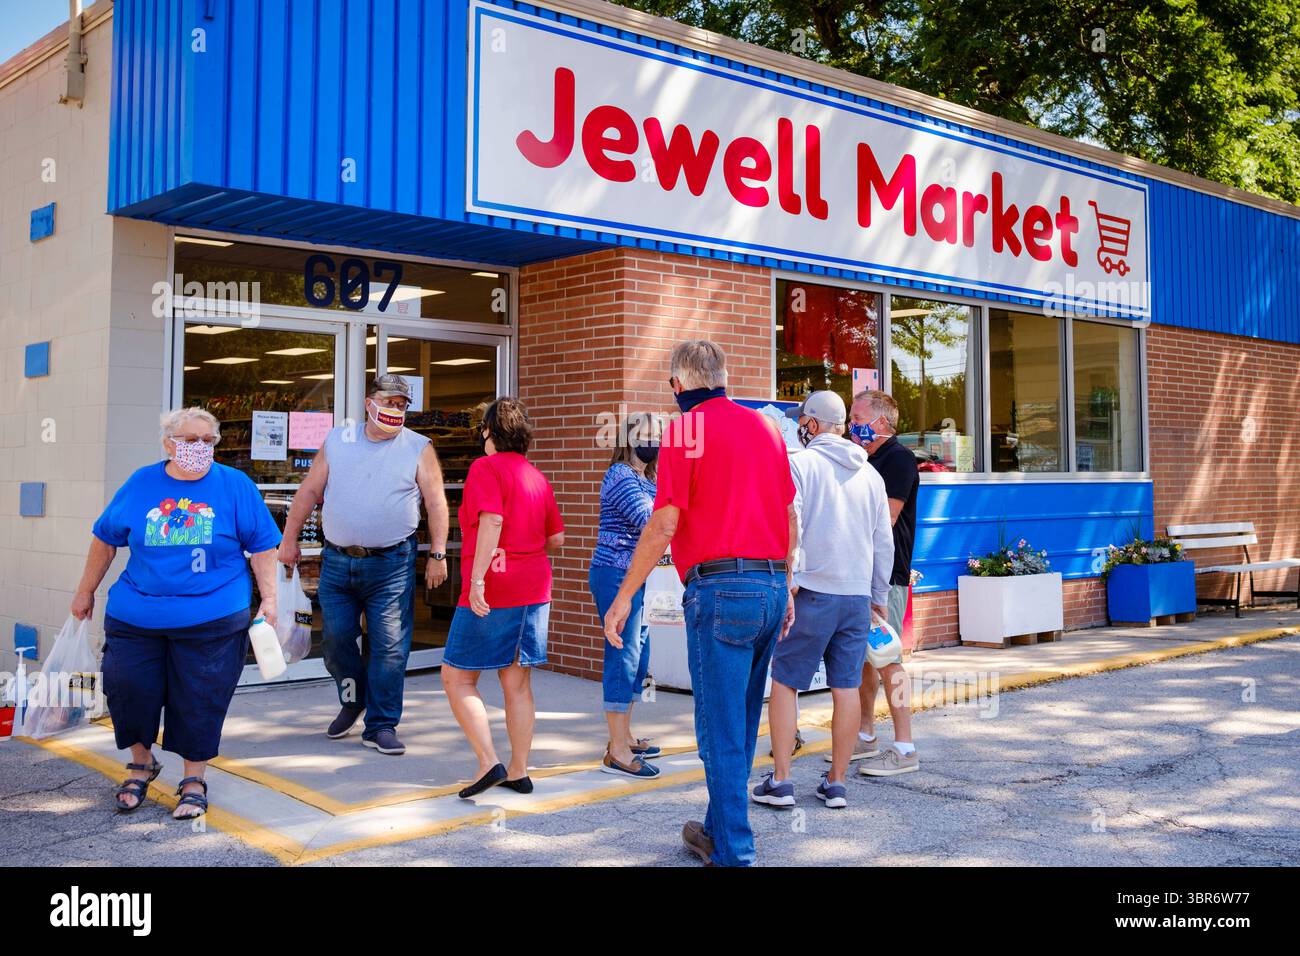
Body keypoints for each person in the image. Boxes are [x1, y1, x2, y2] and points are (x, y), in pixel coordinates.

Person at [604, 340, 797, 867]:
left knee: (718, 730)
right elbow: (788, 511)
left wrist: (624, 595)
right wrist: (786, 579)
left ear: (678, 385)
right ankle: (714, 831)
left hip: (720, 591)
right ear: (723, 375)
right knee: (738, 719)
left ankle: (736, 853)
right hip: (771, 585)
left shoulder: (684, 431)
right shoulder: (765, 426)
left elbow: (664, 521)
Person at [71, 407, 281, 819]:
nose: (200, 448)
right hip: (136, 615)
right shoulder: (141, 483)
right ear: (169, 443)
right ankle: (141, 762)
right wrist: (85, 591)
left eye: (208, 441)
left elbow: (262, 546)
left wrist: (270, 601)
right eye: (190, 440)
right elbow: (105, 538)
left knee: (199, 698)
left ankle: (193, 777)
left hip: (213, 617)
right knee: (128, 689)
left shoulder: (234, 485)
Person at [278, 375, 449, 756]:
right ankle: (353, 698)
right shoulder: (339, 440)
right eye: (390, 401)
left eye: (403, 405)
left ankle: (382, 723)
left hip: (391, 563)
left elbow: (436, 502)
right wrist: (289, 540)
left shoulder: (418, 447)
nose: (396, 410)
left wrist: (438, 554)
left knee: (390, 646)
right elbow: (309, 490)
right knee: (336, 640)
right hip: (337, 561)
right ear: (369, 402)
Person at [752, 391, 893, 811]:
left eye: (803, 421)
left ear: (812, 425)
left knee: (785, 683)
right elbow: (882, 542)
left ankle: (781, 781)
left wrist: (787, 581)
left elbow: (787, 525)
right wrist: (878, 597)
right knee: (846, 687)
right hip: (855, 597)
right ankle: (836, 784)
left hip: (811, 592)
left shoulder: (799, 464)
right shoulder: (870, 475)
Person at [442, 398, 564, 799]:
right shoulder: (536, 476)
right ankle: (518, 770)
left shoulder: (485, 468)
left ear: (490, 432)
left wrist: (477, 580)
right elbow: (556, 540)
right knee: (517, 681)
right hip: (534, 588)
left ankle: (487, 762)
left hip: (495, 586)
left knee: (457, 676)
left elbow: (492, 519)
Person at [847, 389, 920, 775]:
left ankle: (905, 747)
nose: (849, 424)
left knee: (888, 658)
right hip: (860, 574)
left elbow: (884, 520)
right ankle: (865, 735)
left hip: (886, 575)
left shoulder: (898, 459)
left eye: (856, 416)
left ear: (880, 423)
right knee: (863, 661)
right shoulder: (865, 458)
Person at [589, 412, 663, 778]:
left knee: (640, 654)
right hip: (615, 574)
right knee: (623, 654)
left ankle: (626, 735)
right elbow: (651, 520)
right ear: (629, 439)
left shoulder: (647, 476)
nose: (655, 440)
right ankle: (616, 750)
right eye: (647, 434)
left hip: (637, 576)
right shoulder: (619, 475)